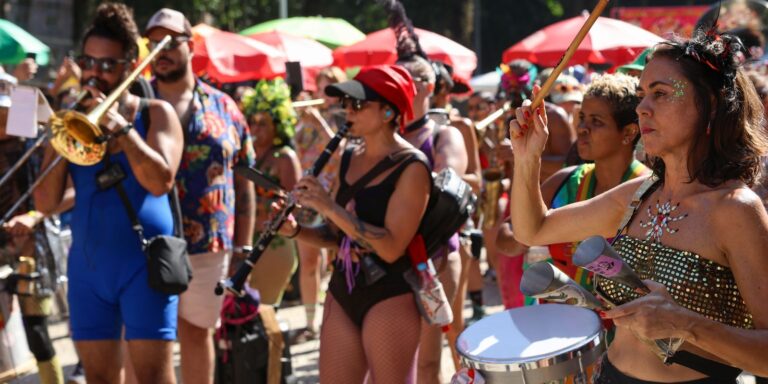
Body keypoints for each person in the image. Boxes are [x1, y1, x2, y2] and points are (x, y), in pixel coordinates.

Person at [509, 30, 768, 382]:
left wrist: (688, 325)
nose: (642, 108)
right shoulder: (639, 195)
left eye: (660, 94)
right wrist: (527, 158)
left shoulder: (736, 210)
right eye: (641, 95)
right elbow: (532, 229)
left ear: (709, 104)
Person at [33, 3, 184, 383]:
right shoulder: (74, 118)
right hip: (89, 269)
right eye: (88, 62)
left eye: (107, 64)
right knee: (98, 379)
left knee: (153, 378)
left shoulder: (157, 113)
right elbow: (46, 203)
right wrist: (59, 134)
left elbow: (160, 182)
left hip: (144, 266)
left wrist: (122, 129)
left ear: (130, 65)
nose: (94, 73)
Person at [278, 65, 430, 382]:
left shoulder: (412, 166)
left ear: (388, 112)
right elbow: (337, 236)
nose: (348, 110)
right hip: (344, 286)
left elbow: (391, 248)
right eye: (346, 103)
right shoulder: (348, 157)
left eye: (358, 104)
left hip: (389, 292)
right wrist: (296, 231)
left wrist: (329, 207)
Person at [143, 8, 256, 384]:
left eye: (170, 41)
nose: (161, 50)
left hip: (209, 243)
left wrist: (243, 249)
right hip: (144, 240)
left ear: (191, 47)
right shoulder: (134, 103)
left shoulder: (225, 106)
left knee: (196, 333)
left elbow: (244, 179)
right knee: (145, 338)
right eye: (152, 42)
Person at [498, 73, 649, 296]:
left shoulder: (650, 192)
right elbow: (506, 233)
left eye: (596, 121)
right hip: (560, 313)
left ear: (628, 132)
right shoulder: (566, 181)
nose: (582, 128)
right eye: (582, 118)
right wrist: (526, 237)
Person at [396, 54, 468, 383]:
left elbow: (449, 181)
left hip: (434, 256)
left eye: (408, 79)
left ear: (428, 87)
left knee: (427, 361)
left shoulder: (445, 134)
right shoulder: (380, 135)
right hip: (391, 259)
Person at [0, 72, 69, 384]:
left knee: (37, 333)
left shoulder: (37, 141)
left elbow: (69, 191)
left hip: (32, 246)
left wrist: (33, 216)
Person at [292, 67, 346, 340]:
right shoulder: (306, 116)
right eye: (321, 87)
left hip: (334, 195)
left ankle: (337, 318)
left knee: (338, 259)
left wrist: (319, 123)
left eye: (330, 88)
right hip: (305, 195)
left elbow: (342, 153)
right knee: (308, 261)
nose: (324, 94)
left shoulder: (345, 116)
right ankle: (311, 322)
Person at [241, 78, 301, 306]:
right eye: (253, 122)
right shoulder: (245, 154)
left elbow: (295, 203)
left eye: (263, 123)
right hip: (246, 242)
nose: (256, 128)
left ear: (278, 125)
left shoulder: (284, 157)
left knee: (263, 311)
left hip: (273, 245)